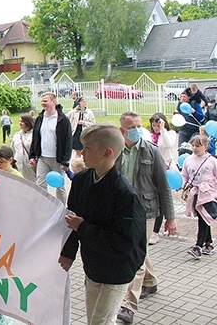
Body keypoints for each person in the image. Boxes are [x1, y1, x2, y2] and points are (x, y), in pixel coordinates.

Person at [59, 123, 147, 325]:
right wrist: (68, 252)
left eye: (88, 148)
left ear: (107, 153)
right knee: (95, 319)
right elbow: (72, 217)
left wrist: (83, 227)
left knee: (101, 321)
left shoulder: (125, 196)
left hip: (118, 270)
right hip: (93, 265)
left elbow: (124, 241)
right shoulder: (81, 180)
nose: (81, 153)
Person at [116, 111, 177, 324]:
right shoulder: (115, 152)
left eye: (139, 125)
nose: (137, 129)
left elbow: (164, 186)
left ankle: (128, 305)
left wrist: (170, 217)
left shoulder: (151, 152)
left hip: (147, 211)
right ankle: (150, 282)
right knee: (139, 248)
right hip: (123, 211)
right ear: (122, 130)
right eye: (132, 126)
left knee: (135, 255)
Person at [29, 92, 72, 204]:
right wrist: (32, 155)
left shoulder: (63, 120)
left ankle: (61, 209)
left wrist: (66, 160)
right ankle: (43, 207)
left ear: (53, 102)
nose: (43, 103)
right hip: (43, 158)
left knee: (60, 186)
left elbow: (68, 141)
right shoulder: (40, 118)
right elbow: (35, 138)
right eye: (42, 101)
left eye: (45, 101)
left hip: (58, 159)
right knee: (40, 184)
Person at [181, 135, 217, 259]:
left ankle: (198, 246)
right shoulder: (188, 160)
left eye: (198, 145)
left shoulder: (212, 161)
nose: (195, 148)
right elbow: (184, 175)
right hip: (195, 193)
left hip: (208, 193)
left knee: (203, 217)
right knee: (203, 217)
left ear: (206, 147)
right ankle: (209, 243)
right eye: (193, 145)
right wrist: (182, 185)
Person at [148, 113, 178, 245]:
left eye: (157, 125)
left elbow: (168, 145)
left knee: (162, 199)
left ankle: (155, 232)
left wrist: (163, 129)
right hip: (151, 169)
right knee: (153, 198)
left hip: (166, 168)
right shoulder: (150, 135)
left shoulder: (170, 134)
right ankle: (152, 229)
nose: (155, 128)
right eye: (153, 125)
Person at [10, 113, 36, 182]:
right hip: (19, 166)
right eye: (19, 121)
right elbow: (12, 150)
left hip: (30, 167)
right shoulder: (17, 135)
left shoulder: (35, 135)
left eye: (22, 121)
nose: (20, 123)